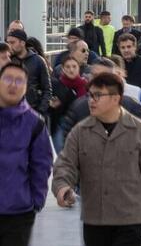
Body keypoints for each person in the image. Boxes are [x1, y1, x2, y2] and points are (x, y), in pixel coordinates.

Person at [52, 72, 141, 246]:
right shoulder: (80, 132)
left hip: (130, 219)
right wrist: (62, 187)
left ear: (116, 98)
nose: (91, 100)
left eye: (98, 95)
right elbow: (65, 164)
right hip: (94, 219)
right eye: (90, 95)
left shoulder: (139, 131)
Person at [0, 63, 53, 245]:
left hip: (18, 213)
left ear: (26, 87)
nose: (12, 85)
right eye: (7, 79)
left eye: (19, 81)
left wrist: (35, 202)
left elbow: (42, 166)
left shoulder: (34, 124)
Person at [6, 30, 51, 116]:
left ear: (22, 43)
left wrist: (40, 112)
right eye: (8, 43)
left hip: (32, 111)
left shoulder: (38, 61)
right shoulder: (8, 60)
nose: (9, 46)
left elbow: (47, 90)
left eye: (12, 42)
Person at [49, 56, 88, 152]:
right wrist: (54, 106)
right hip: (61, 124)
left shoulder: (86, 85)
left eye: (74, 66)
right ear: (63, 69)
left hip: (81, 123)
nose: (71, 70)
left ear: (78, 68)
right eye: (68, 67)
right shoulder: (56, 85)